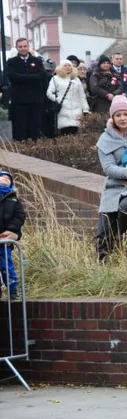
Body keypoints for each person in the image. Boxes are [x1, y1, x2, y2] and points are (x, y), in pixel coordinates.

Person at [94, 96, 127, 260]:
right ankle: (104, 263)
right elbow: (108, 168)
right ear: (112, 118)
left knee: (126, 207)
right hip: (114, 186)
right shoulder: (105, 139)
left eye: (125, 114)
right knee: (104, 229)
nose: (122, 118)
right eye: (118, 115)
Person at [4, 38, 48, 141]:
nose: (23, 49)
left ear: (28, 47)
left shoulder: (37, 61)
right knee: (21, 128)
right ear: (16, 48)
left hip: (35, 100)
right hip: (19, 101)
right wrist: (32, 76)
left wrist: (23, 77)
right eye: (20, 46)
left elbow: (41, 76)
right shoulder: (11, 62)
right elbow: (13, 77)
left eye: (25, 46)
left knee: (35, 128)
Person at [0, 170, 26, 300]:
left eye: (8, 178)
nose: (5, 179)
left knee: (7, 264)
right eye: (2, 177)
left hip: (5, 239)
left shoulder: (14, 200)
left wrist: (13, 231)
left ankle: (12, 288)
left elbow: (19, 216)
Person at [47, 61, 90, 136]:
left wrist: (85, 109)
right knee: (65, 132)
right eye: (65, 65)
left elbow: (82, 95)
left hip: (77, 109)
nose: (68, 67)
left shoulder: (76, 79)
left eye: (69, 65)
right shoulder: (56, 78)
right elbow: (49, 93)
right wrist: (58, 100)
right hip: (64, 110)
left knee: (76, 132)